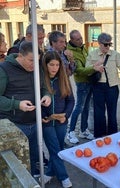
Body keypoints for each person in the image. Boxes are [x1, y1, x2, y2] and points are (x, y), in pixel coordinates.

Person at [0, 41, 51, 177]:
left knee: (34, 157)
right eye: (31, 60)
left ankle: (33, 178)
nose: (34, 64)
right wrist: (17, 104)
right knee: (18, 163)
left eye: (37, 61)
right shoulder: (3, 69)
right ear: (20, 56)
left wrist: (47, 95)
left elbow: (44, 86)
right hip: (14, 124)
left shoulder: (37, 67)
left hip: (34, 123)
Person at [86, 32, 120, 138]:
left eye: (109, 44)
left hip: (112, 87)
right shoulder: (92, 55)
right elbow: (86, 69)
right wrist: (96, 65)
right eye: (105, 44)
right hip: (98, 86)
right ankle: (99, 135)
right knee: (99, 112)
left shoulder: (115, 54)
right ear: (99, 44)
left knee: (112, 111)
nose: (108, 47)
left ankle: (112, 135)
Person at [40, 51, 74, 187]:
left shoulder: (64, 79)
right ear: (45, 65)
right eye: (51, 65)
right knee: (55, 149)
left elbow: (71, 101)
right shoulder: (40, 80)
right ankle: (64, 176)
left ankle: (49, 172)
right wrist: (44, 116)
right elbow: (35, 100)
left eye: (57, 65)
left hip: (61, 122)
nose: (54, 68)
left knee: (58, 149)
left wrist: (65, 115)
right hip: (47, 122)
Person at [66, 30, 95, 144]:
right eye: (77, 39)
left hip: (89, 81)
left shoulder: (82, 48)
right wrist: (94, 68)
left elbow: (87, 61)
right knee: (79, 107)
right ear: (72, 40)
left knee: (86, 107)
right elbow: (78, 70)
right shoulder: (70, 52)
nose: (80, 41)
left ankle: (83, 130)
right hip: (82, 82)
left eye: (81, 38)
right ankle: (71, 131)